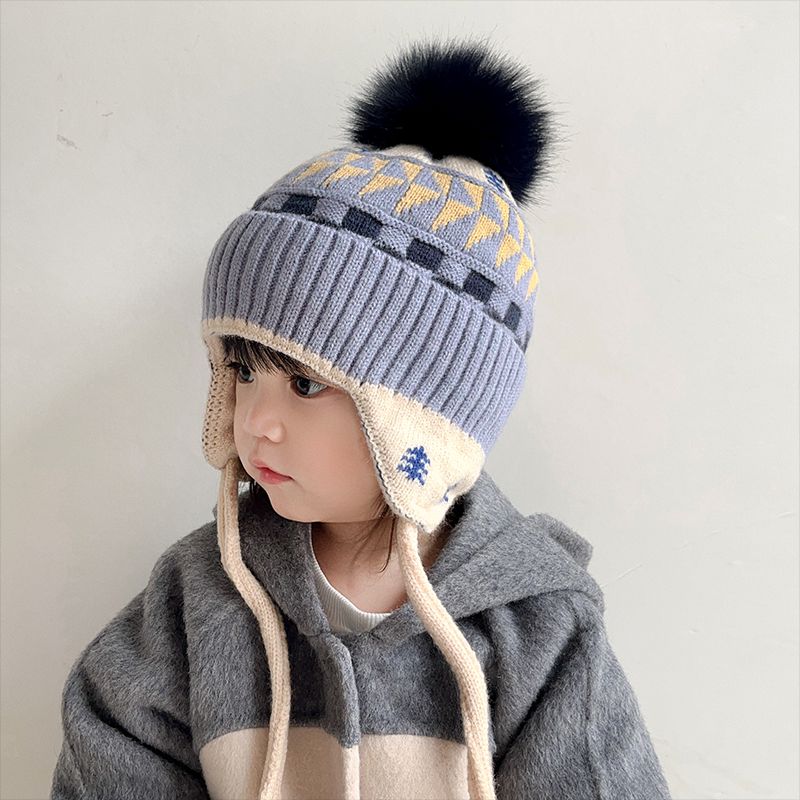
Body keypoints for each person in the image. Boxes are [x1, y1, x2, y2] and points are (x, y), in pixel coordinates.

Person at [50, 36, 671, 800]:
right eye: (242, 371)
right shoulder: (197, 599)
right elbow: (107, 762)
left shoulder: (538, 627)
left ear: (428, 419)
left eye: (304, 384)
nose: (258, 421)